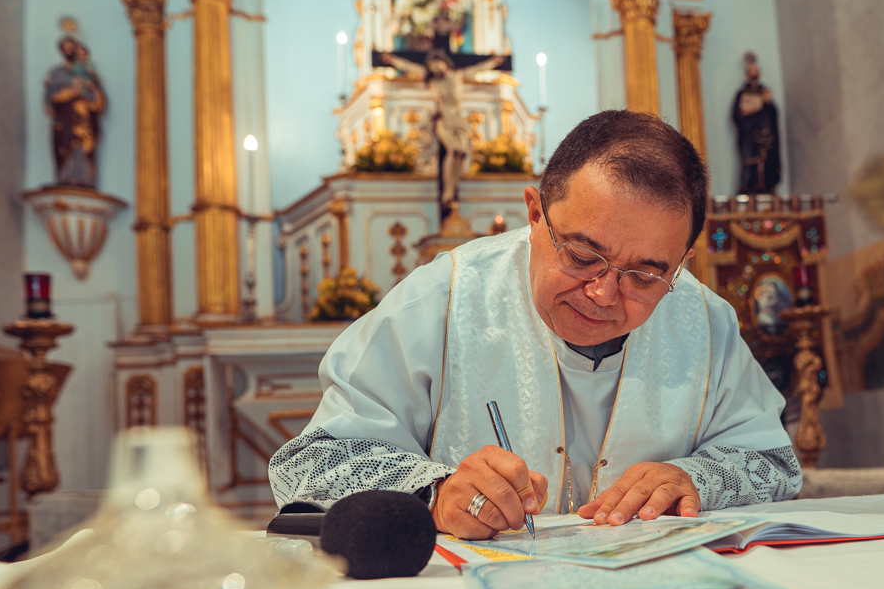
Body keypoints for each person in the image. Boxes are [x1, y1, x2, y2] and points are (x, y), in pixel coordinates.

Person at [269, 110, 802, 540]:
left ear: (681, 262)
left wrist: (695, 478)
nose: (603, 294)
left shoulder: (705, 320)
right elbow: (310, 462)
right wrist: (436, 493)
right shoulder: (444, 298)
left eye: (644, 275)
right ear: (534, 213)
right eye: (582, 255)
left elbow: (775, 463)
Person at [380, 49, 504, 208]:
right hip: (442, 120)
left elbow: (477, 69)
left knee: (462, 153)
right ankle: (447, 192)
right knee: (452, 151)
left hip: (457, 120)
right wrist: (392, 60)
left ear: (444, 62)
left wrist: (493, 62)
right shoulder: (434, 80)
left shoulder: (458, 76)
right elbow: (410, 67)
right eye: (432, 67)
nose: (435, 69)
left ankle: (454, 187)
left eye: (437, 65)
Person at [45, 36, 106, 187]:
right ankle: (64, 178)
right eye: (66, 48)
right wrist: (71, 92)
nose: (70, 51)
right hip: (65, 119)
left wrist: (92, 89)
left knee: (84, 149)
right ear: (61, 51)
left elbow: (100, 102)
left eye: (72, 47)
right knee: (64, 147)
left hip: (85, 119)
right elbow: (50, 100)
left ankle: (85, 180)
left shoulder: (89, 73)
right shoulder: (56, 73)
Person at [733, 51, 781, 195]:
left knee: (766, 163)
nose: (755, 73)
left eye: (757, 71)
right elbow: (737, 114)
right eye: (752, 71)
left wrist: (768, 103)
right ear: (747, 73)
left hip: (765, 136)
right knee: (751, 164)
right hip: (750, 136)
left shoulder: (764, 91)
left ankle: (766, 187)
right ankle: (749, 188)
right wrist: (755, 106)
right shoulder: (742, 93)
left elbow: (773, 113)